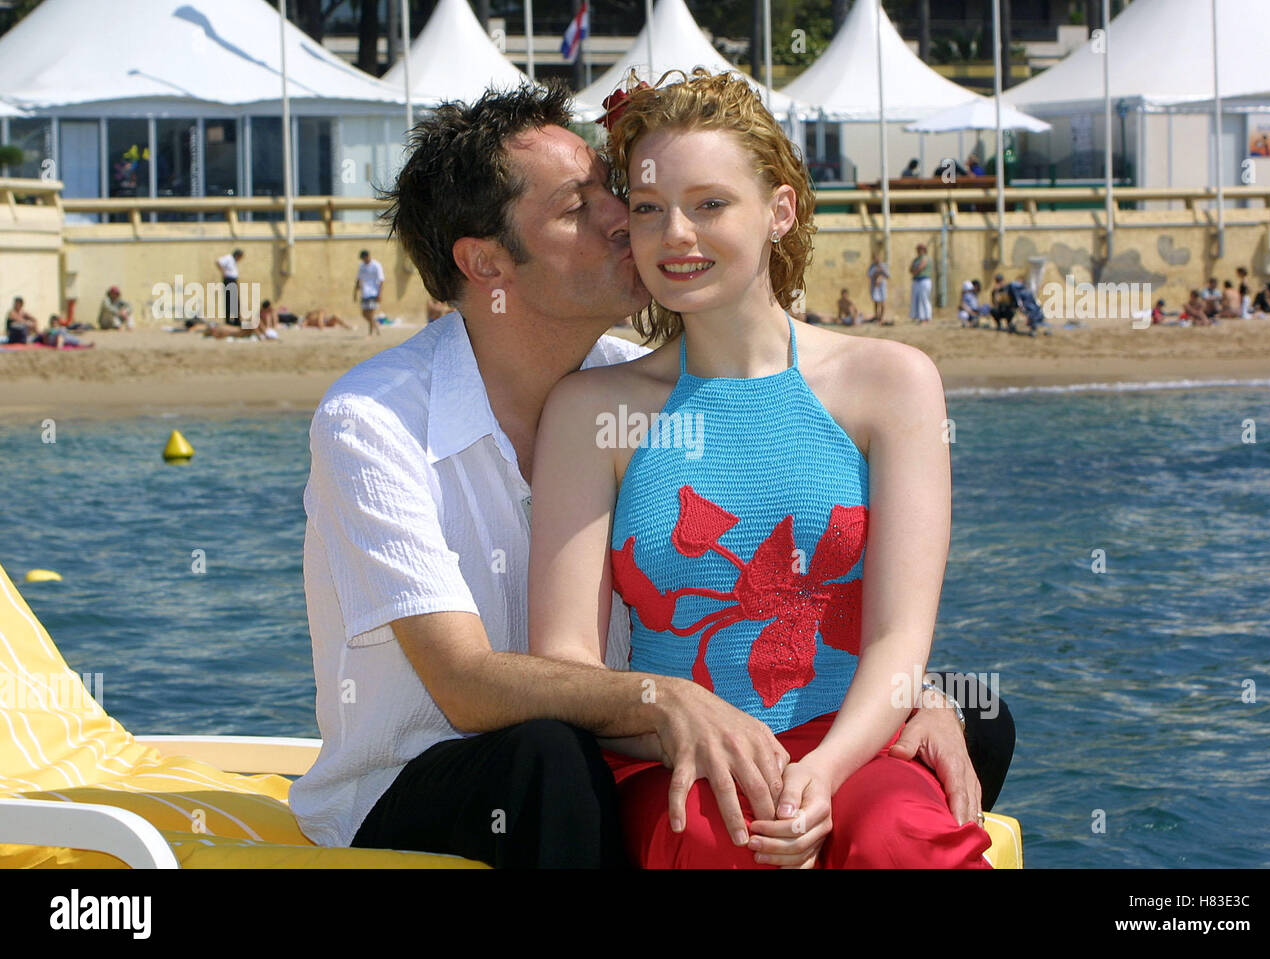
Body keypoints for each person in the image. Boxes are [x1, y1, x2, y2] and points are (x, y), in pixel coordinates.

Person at [289, 83, 1012, 869]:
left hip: (649, 733)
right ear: (486, 260)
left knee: (975, 719)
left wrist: (913, 701)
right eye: (591, 206)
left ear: (779, 210)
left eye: (615, 193)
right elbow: (466, 683)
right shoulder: (374, 421)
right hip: (434, 775)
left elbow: (872, 622)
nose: (629, 222)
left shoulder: (607, 379)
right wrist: (667, 703)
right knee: (554, 759)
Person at [527, 68, 1001, 868]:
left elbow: (897, 639)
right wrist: (681, 719)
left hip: (853, 745)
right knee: (726, 845)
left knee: (901, 841)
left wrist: (824, 770)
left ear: (780, 209)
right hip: (677, 756)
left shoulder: (892, 384)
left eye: (709, 204)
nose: (676, 233)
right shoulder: (587, 411)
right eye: (648, 210)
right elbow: (567, 655)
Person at [355, 249, 386, 336]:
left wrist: (380, 293)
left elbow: (381, 280)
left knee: (371, 313)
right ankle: (376, 326)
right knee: (364, 314)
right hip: (365, 292)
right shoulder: (362, 266)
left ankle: (370, 333)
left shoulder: (376, 265)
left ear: (368, 256)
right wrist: (356, 290)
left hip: (374, 292)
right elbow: (358, 278)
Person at [215, 248, 244, 327]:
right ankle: (229, 321)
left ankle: (236, 320)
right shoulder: (228, 258)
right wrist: (223, 272)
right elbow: (218, 262)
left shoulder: (233, 261)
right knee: (229, 301)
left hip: (232, 280)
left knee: (234, 301)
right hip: (229, 280)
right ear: (237, 255)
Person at [909, 242, 933, 323]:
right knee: (916, 299)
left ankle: (927, 317)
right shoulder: (916, 259)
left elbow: (921, 267)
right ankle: (917, 316)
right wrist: (915, 271)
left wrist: (915, 271)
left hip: (924, 280)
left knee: (924, 298)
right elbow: (911, 269)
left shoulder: (926, 258)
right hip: (917, 280)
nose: (918, 251)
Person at [868, 252, 890, 324]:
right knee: (876, 301)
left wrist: (881, 270)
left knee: (883, 302)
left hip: (882, 286)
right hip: (875, 286)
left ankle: (881, 317)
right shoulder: (872, 267)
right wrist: (876, 272)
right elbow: (869, 275)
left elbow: (888, 275)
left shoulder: (883, 265)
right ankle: (876, 316)